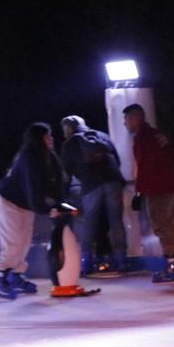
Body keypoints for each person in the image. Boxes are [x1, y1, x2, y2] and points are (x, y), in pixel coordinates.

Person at [0, 122, 68, 298]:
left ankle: (15, 275)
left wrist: (59, 205)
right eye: (47, 136)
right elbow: (32, 188)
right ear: (38, 139)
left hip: (24, 204)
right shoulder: (29, 158)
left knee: (24, 241)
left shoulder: (49, 157)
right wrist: (47, 209)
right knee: (14, 242)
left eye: (50, 135)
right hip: (8, 201)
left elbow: (57, 186)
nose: (51, 139)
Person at [123, 103, 174, 284]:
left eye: (127, 119)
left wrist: (138, 193)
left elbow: (144, 167)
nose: (125, 124)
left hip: (158, 189)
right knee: (168, 223)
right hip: (171, 185)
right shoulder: (156, 134)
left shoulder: (142, 138)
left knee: (161, 224)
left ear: (135, 118)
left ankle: (173, 265)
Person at [59, 115, 126, 277]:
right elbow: (117, 161)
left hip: (91, 184)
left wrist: (63, 197)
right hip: (113, 181)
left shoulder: (70, 143)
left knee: (89, 222)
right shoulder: (102, 136)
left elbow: (65, 174)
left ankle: (86, 263)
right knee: (116, 222)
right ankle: (121, 261)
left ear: (69, 127)